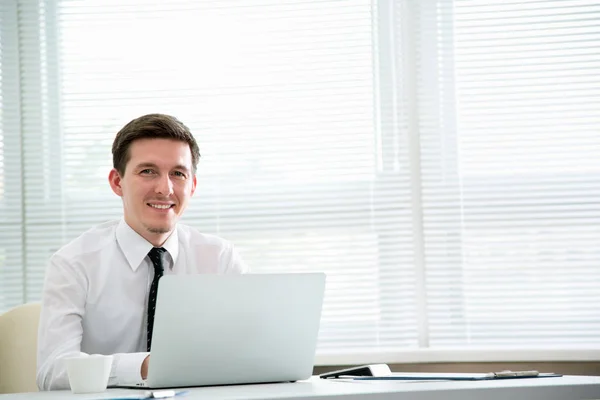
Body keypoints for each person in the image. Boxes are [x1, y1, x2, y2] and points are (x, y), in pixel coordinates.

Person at [36, 114, 249, 390]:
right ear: (117, 182)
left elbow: (248, 352)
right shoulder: (73, 263)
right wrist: (144, 367)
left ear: (192, 185)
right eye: (148, 171)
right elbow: (52, 370)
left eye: (178, 173)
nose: (165, 188)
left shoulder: (221, 259)